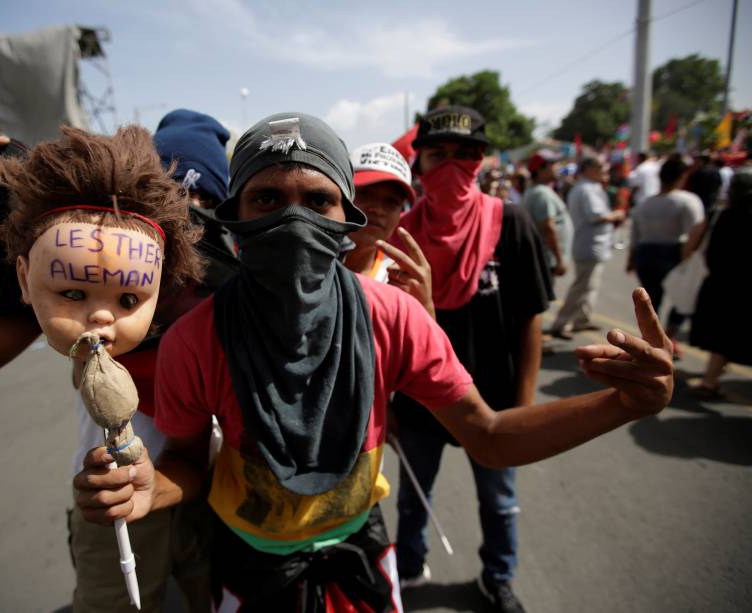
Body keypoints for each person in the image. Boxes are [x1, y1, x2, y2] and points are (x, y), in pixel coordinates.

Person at [74, 112, 674, 612]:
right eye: (267, 198)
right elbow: (184, 459)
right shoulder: (195, 340)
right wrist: (153, 487)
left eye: (317, 200)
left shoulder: (395, 317)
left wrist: (622, 404)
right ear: (234, 218)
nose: (293, 217)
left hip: (360, 551)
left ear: (345, 223)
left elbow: (488, 437)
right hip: (249, 564)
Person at [0, 111, 236, 613]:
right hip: (111, 504)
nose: (103, 314)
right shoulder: (78, 282)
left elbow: (195, 453)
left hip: (211, 496)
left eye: (203, 204)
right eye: (174, 197)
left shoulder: (225, 300)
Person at [387, 106, 552, 612]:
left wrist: (523, 406)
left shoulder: (512, 224)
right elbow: (387, 325)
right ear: (420, 165)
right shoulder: (403, 234)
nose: (453, 169)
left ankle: (497, 576)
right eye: (439, 156)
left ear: (482, 162)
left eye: (467, 155)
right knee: (415, 497)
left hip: (496, 400)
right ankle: (408, 570)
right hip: (420, 400)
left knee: (500, 502)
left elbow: (530, 322)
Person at [342, 142, 433, 315]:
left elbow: (426, 343)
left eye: (391, 202)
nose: (377, 209)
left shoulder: (403, 281)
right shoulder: (308, 263)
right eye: (364, 194)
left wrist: (425, 308)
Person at [627, 155, 704, 358]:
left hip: (646, 254)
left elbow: (635, 236)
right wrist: (687, 257)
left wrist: (631, 258)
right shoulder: (687, 201)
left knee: (652, 301)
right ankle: (667, 336)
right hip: (673, 253)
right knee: (683, 299)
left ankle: (655, 340)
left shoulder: (644, 204)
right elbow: (696, 231)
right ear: (682, 176)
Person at [689, 166, 752, 397]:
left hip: (720, 283)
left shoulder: (719, 215)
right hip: (740, 286)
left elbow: (700, 247)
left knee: (722, 336)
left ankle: (710, 379)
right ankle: (710, 380)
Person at [550, 158, 625, 340]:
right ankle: (561, 322)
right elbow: (596, 215)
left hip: (594, 243)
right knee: (582, 285)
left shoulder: (590, 187)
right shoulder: (586, 189)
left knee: (590, 285)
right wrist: (616, 214)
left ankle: (581, 318)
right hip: (589, 244)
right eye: (599, 167)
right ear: (588, 169)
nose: (603, 170)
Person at [520, 149, 571, 284]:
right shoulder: (541, 193)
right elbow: (548, 228)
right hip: (546, 261)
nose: (558, 167)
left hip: (543, 260)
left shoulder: (539, 190)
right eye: (553, 163)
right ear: (540, 169)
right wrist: (560, 260)